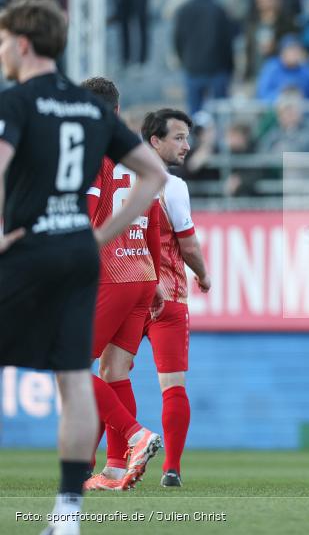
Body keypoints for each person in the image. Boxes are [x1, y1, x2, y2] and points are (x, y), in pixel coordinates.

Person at [0, 0, 167, 534]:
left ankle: (121, 453)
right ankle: (68, 515)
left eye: (4, 40)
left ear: (23, 44)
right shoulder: (91, 108)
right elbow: (153, 176)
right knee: (75, 381)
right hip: (78, 253)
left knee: (75, 378)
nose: (1, 49)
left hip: (29, 250)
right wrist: (101, 235)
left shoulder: (17, 101)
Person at [79, 77, 164, 493]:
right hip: (143, 274)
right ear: (116, 109)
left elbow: (89, 213)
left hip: (109, 273)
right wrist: (160, 278)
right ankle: (114, 469)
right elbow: (154, 216)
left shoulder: (95, 151)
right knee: (114, 370)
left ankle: (135, 436)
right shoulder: (138, 154)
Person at [142, 108, 212, 487]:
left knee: (110, 375)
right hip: (168, 295)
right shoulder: (172, 185)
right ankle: (172, 467)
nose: (187, 145)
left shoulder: (117, 177)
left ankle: (113, 462)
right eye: (179, 138)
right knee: (173, 385)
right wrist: (203, 274)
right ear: (155, 141)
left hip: (126, 290)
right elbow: (188, 245)